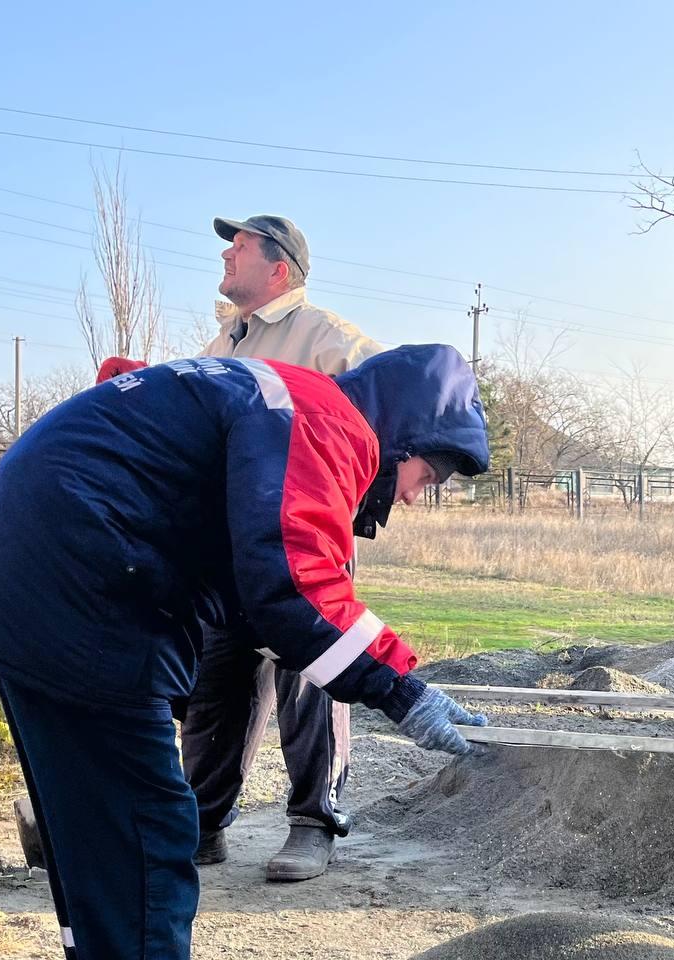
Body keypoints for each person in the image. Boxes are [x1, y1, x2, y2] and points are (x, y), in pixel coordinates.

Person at [0, 344, 490, 960]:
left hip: (31, 576)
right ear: (405, 437)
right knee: (148, 837)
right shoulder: (321, 417)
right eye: (430, 477)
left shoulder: (273, 394)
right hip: (83, 589)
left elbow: (247, 586)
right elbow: (294, 584)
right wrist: (402, 689)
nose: (417, 496)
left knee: (95, 837)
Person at [187, 214, 383, 882]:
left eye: (238, 246)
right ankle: (204, 822)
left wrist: (346, 500)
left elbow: (384, 406)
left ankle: (313, 823)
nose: (226, 252)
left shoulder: (326, 337)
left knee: (312, 672)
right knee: (220, 680)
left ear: (279, 267)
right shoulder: (225, 340)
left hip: (304, 542)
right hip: (228, 544)